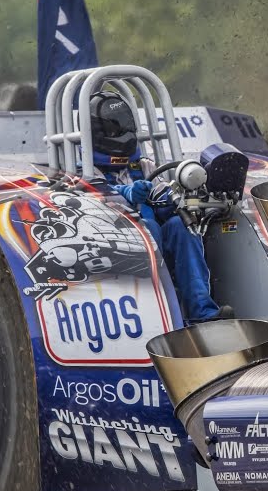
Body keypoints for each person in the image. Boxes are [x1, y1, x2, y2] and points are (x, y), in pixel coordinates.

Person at [89, 91, 223, 323]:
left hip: (155, 234)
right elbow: (94, 200)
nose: (120, 133)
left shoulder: (143, 165)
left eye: (123, 126)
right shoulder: (87, 171)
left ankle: (202, 312)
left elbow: (163, 196)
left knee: (180, 226)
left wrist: (172, 200)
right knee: (149, 227)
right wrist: (125, 194)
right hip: (114, 243)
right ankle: (162, 315)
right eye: (114, 128)